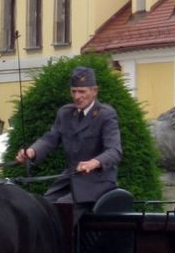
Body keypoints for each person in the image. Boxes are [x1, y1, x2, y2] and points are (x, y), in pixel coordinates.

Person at [15, 65, 122, 214]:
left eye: (82, 91)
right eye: (74, 91)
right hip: (71, 178)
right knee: (42, 206)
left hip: (98, 182)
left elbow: (114, 151)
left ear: (94, 91)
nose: (77, 96)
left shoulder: (105, 114)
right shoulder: (65, 113)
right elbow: (50, 139)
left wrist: (94, 162)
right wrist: (32, 152)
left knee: (62, 210)